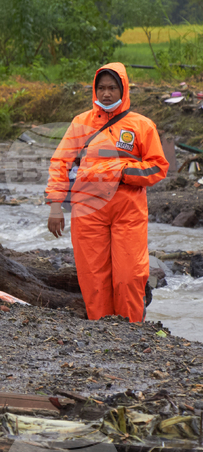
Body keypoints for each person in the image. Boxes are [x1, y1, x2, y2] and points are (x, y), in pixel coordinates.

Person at [45, 63, 168, 323]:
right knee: (93, 278)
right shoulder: (80, 123)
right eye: (101, 88)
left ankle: (132, 329)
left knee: (129, 275)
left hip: (128, 210)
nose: (106, 93)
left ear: (123, 89)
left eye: (112, 88)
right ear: (95, 90)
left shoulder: (142, 125)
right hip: (87, 210)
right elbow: (60, 163)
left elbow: (158, 167)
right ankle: (101, 330)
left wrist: (121, 171)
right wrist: (55, 206)